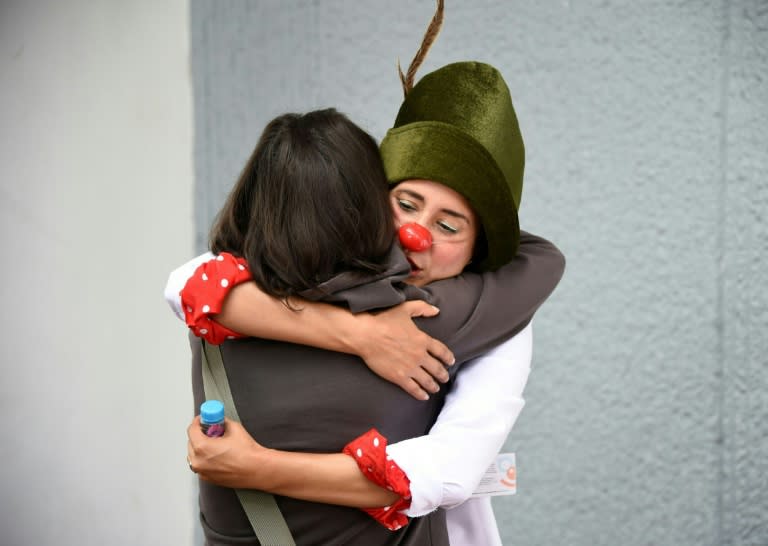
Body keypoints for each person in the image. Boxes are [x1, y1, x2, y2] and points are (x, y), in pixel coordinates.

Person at [170, 61, 564, 545]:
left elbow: (452, 466)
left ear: (480, 247)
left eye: (449, 225)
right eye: (406, 203)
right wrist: (360, 334)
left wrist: (256, 467)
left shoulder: (493, 315)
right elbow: (185, 280)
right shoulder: (309, 271)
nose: (415, 236)